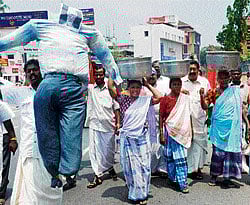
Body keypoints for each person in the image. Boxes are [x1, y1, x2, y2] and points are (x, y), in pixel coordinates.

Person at [0, 4, 122, 187]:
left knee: (47, 131)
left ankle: (54, 172)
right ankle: (66, 171)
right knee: (71, 133)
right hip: (73, 90)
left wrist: (115, 74)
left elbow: (9, 41)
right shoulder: (88, 33)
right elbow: (106, 57)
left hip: (49, 86)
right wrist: (116, 75)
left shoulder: (41, 26)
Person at [0, 59, 63, 204]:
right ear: (25, 74)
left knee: (51, 191)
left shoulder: (52, 93)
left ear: (41, 71)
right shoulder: (21, 93)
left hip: (49, 152)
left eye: (35, 70)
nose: (32, 73)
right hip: (29, 150)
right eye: (29, 71)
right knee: (28, 197)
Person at [108, 77, 162, 205]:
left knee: (143, 166)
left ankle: (142, 192)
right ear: (128, 89)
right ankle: (135, 193)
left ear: (141, 89)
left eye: (138, 87)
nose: (135, 90)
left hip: (141, 137)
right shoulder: (123, 100)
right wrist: (115, 73)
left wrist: (148, 85)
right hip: (128, 139)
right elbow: (110, 87)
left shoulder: (145, 101)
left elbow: (159, 97)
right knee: (131, 167)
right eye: (132, 87)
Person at [159, 78, 202, 193]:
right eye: (174, 84)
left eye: (179, 84)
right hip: (169, 131)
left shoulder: (185, 99)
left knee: (181, 158)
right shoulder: (165, 99)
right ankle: (172, 179)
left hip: (182, 132)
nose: (177, 87)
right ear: (170, 86)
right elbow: (161, 117)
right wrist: (161, 134)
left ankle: (182, 183)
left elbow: (188, 116)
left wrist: (191, 131)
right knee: (170, 157)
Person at [203, 70, 243, 188]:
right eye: (221, 77)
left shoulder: (234, 91)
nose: (224, 80)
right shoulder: (213, 92)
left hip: (231, 127)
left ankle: (227, 177)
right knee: (217, 153)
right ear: (217, 79)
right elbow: (205, 106)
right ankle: (214, 176)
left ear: (229, 79)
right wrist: (201, 96)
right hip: (219, 126)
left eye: (226, 77)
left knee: (230, 153)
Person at [87, 66, 120, 188]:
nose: (99, 77)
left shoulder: (110, 89)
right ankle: (97, 175)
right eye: (96, 74)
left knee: (108, 151)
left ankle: (109, 167)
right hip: (95, 124)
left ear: (104, 75)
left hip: (109, 125)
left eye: (101, 74)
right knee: (94, 151)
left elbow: (116, 107)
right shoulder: (91, 89)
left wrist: (118, 123)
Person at [181, 60, 211, 180]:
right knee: (188, 144)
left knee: (199, 145)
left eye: (194, 69)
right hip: (185, 119)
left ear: (198, 70)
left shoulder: (204, 82)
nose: (192, 71)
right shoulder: (181, 82)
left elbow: (208, 101)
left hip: (199, 118)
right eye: (190, 69)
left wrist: (202, 96)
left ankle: (198, 168)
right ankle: (188, 169)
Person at [144, 68, 168, 176]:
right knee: (151, 147)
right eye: (150, 75)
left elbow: (163, 98)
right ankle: (151, 168)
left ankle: (162, 169)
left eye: (153, 75)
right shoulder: (143, 89)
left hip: (161, 119)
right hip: (148, 121)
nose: (152, 77)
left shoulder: (162, 86)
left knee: (162, 146)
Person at [230, 69, 250, 174]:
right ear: (231, 75)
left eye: (238, 73)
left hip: (243, 120)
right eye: (234, 73)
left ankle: (242, 166)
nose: (236, 75)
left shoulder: (247, 88)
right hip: (230, 121)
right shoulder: (227, 88)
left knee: (243, 144)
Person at [0, 102, 17, 205]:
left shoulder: (1, 105)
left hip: (2, 137)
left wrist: (13, 139)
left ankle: (1, 193)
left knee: (3, 165)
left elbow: (8, 122)